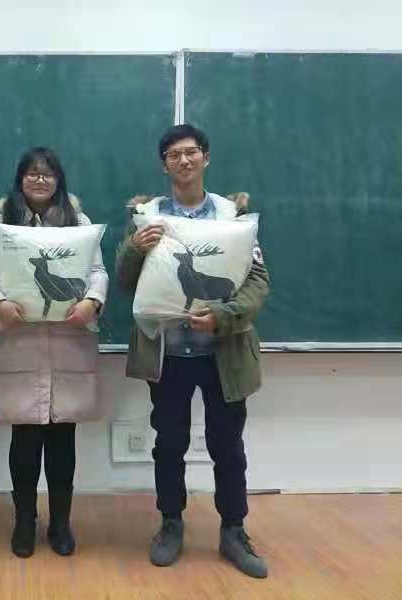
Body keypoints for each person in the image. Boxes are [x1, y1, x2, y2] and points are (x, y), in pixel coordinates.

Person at [115, 124, 270, 578]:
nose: (183, 160)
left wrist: (224, 315)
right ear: (164, 165)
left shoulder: (233, 215)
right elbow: (125, 282)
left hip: (223, 353)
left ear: (205, 157)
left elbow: (257, 280)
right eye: (173, 154)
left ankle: (234, 530)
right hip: (167, 354)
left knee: (228, 446)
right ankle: (170, 524)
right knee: (169, 444)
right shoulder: (147, 217)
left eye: (191, 152)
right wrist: (133, 250)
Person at [0, 147, 109, 558]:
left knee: (63, 439)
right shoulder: (0, 223)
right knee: (25, 439)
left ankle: (61, 523)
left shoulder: (78, 222)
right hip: (19, 341)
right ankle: (24, 521)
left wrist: (92, 302)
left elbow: (97, 272)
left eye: (47, 173)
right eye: (31, 173)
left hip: (69, 339)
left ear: (58, 180)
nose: (39, 179)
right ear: (20, 179)